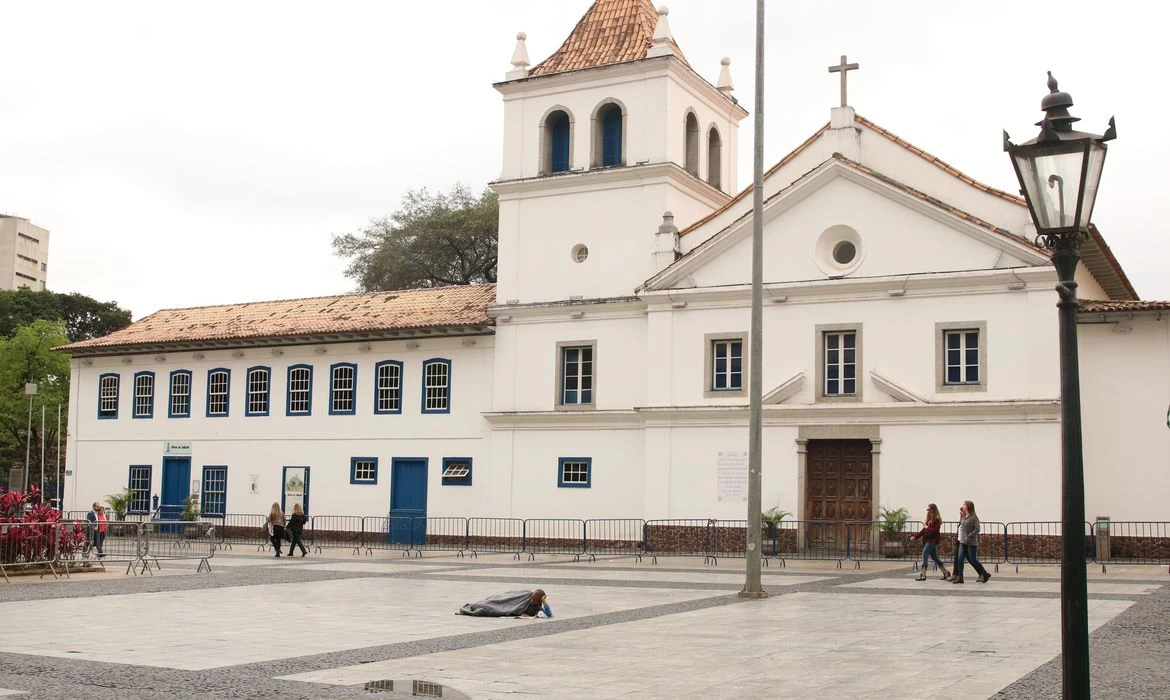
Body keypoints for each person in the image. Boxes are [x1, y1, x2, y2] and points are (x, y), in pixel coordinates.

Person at [950, 500, 992, 584]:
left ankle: (985, 573)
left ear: (968, 506)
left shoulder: (973, 517)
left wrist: (970, 535)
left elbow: (977, 529)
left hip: (971, 542)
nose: (963, 506)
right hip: (962, 542)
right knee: (960, 558)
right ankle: (960, 578)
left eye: (964, 505)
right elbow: (961, 527)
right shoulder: (963, 516)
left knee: (973, 560)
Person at [910, 503, 949, 581]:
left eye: (929, 510)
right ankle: (946, 573)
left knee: (925, 554)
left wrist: (928, 527)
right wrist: (915, 537)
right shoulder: (928, 519)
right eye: (927, 510)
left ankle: (923, 575)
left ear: (933, 510)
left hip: (932, 540)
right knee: (934, 557)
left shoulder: (937, 519)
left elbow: (936, 530)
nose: (928, 511)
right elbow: (924, 530)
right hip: (927, 539)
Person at [457, 589, 553, 618]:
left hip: (506, 608)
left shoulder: (537, 608)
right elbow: (511, 596)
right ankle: (479, 605)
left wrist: (544, 600)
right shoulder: (527, 595)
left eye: (535, 599)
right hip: (504, 602)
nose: (532, 600)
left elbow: (549, 614)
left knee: (488, 610)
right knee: (491, 602)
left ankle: (480, 606)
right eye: (532, 598)